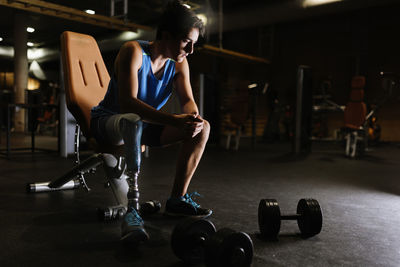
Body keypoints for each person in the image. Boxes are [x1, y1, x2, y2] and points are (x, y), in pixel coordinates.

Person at [90, 0, 212, 244]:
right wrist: (173, 120)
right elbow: (128, 104)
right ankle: (132, 212)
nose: (190, 50)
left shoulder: (179, 64)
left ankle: (177, 199)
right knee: (133, 120)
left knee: (203, 128)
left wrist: (192, 119)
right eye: (186, 42)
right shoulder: (133, 51)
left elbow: (188, 100)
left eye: (194, 44)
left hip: (140, 126)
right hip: (109, 123)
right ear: (166, 35)